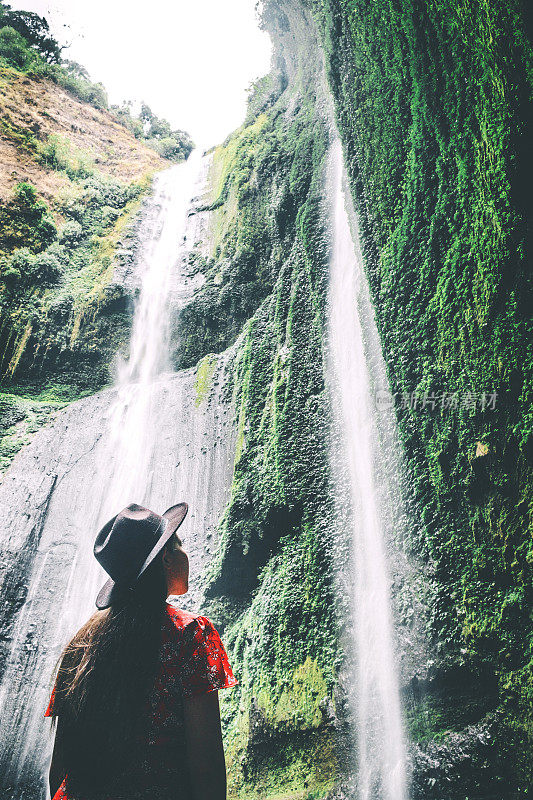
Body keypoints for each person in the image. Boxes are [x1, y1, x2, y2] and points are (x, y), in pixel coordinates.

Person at [45, 502, 238, 800]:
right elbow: (207, 766)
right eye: (181, 545)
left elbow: (59, 770)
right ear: (166, 559)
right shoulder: (189, 635)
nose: (187, 554)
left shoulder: (80, 645)